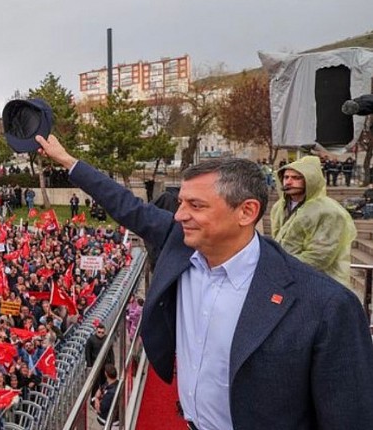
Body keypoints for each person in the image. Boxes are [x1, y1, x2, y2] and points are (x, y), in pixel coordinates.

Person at [35, 133, 373, 429]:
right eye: (181, 202)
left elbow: (349, 417)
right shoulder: (177, 240)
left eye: (195, 205)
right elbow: (125, 204)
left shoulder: (327, 306)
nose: (180, 214)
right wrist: (67, 161)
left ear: (246, 212)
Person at [270, 156, 356, 289]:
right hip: (287, 281)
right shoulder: (279, 207)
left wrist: (282, 265)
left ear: (311, 181)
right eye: (286, 177)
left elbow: (320, 257)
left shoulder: (329, 211)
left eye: (296, 178)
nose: (288, 182)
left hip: (322, 284)